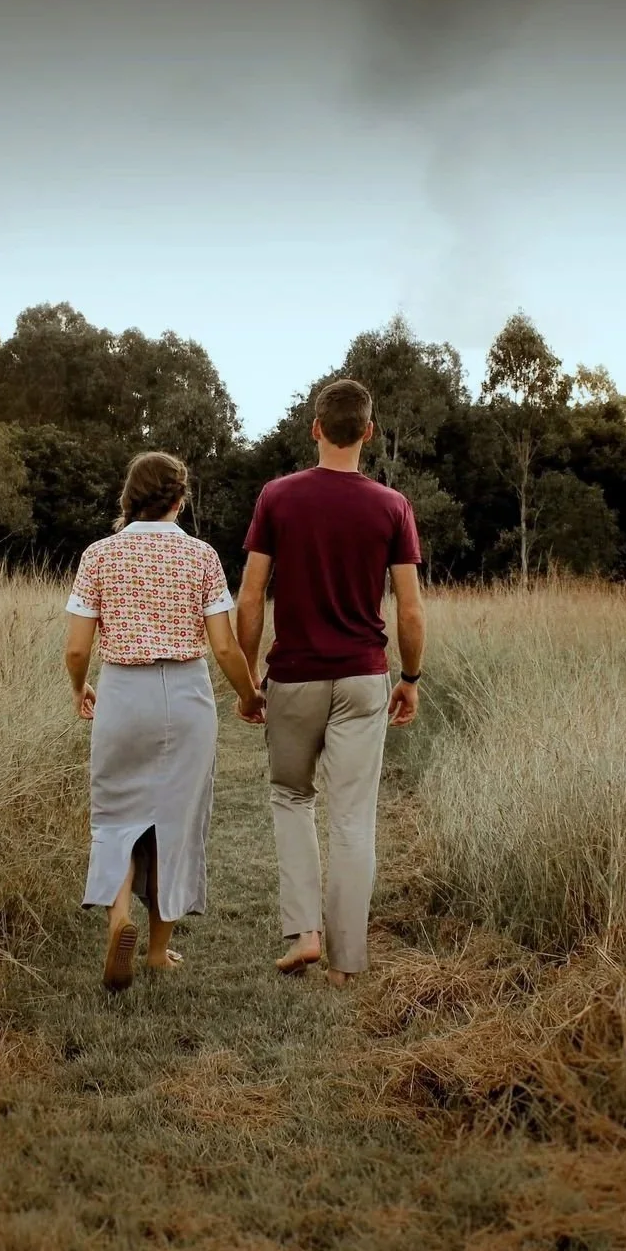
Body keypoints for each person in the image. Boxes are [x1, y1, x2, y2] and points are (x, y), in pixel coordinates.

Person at [235, 379, 426, 987]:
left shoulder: (277, 497)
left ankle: (305, 934)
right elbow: (410, 608)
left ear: (314, 427)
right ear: (369, 432)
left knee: (291, 799)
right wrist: (412, 677)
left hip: (294, 676)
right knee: (352, 819)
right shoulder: (392, 506)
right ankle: (347, 962)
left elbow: (251, 595)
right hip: (365, 677)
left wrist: (246, 678)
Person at [64, 451, 267, 992]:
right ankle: (156, 951)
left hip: (123, 695)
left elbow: (77, 648)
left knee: (115, 816)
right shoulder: (201, 557)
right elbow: (224, 647)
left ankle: (118, 920)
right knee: (177, 821)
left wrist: (80, 688)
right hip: (187, 694)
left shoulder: (99, 556)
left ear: (128, 498)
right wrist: (249, 696)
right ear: (181, 499)